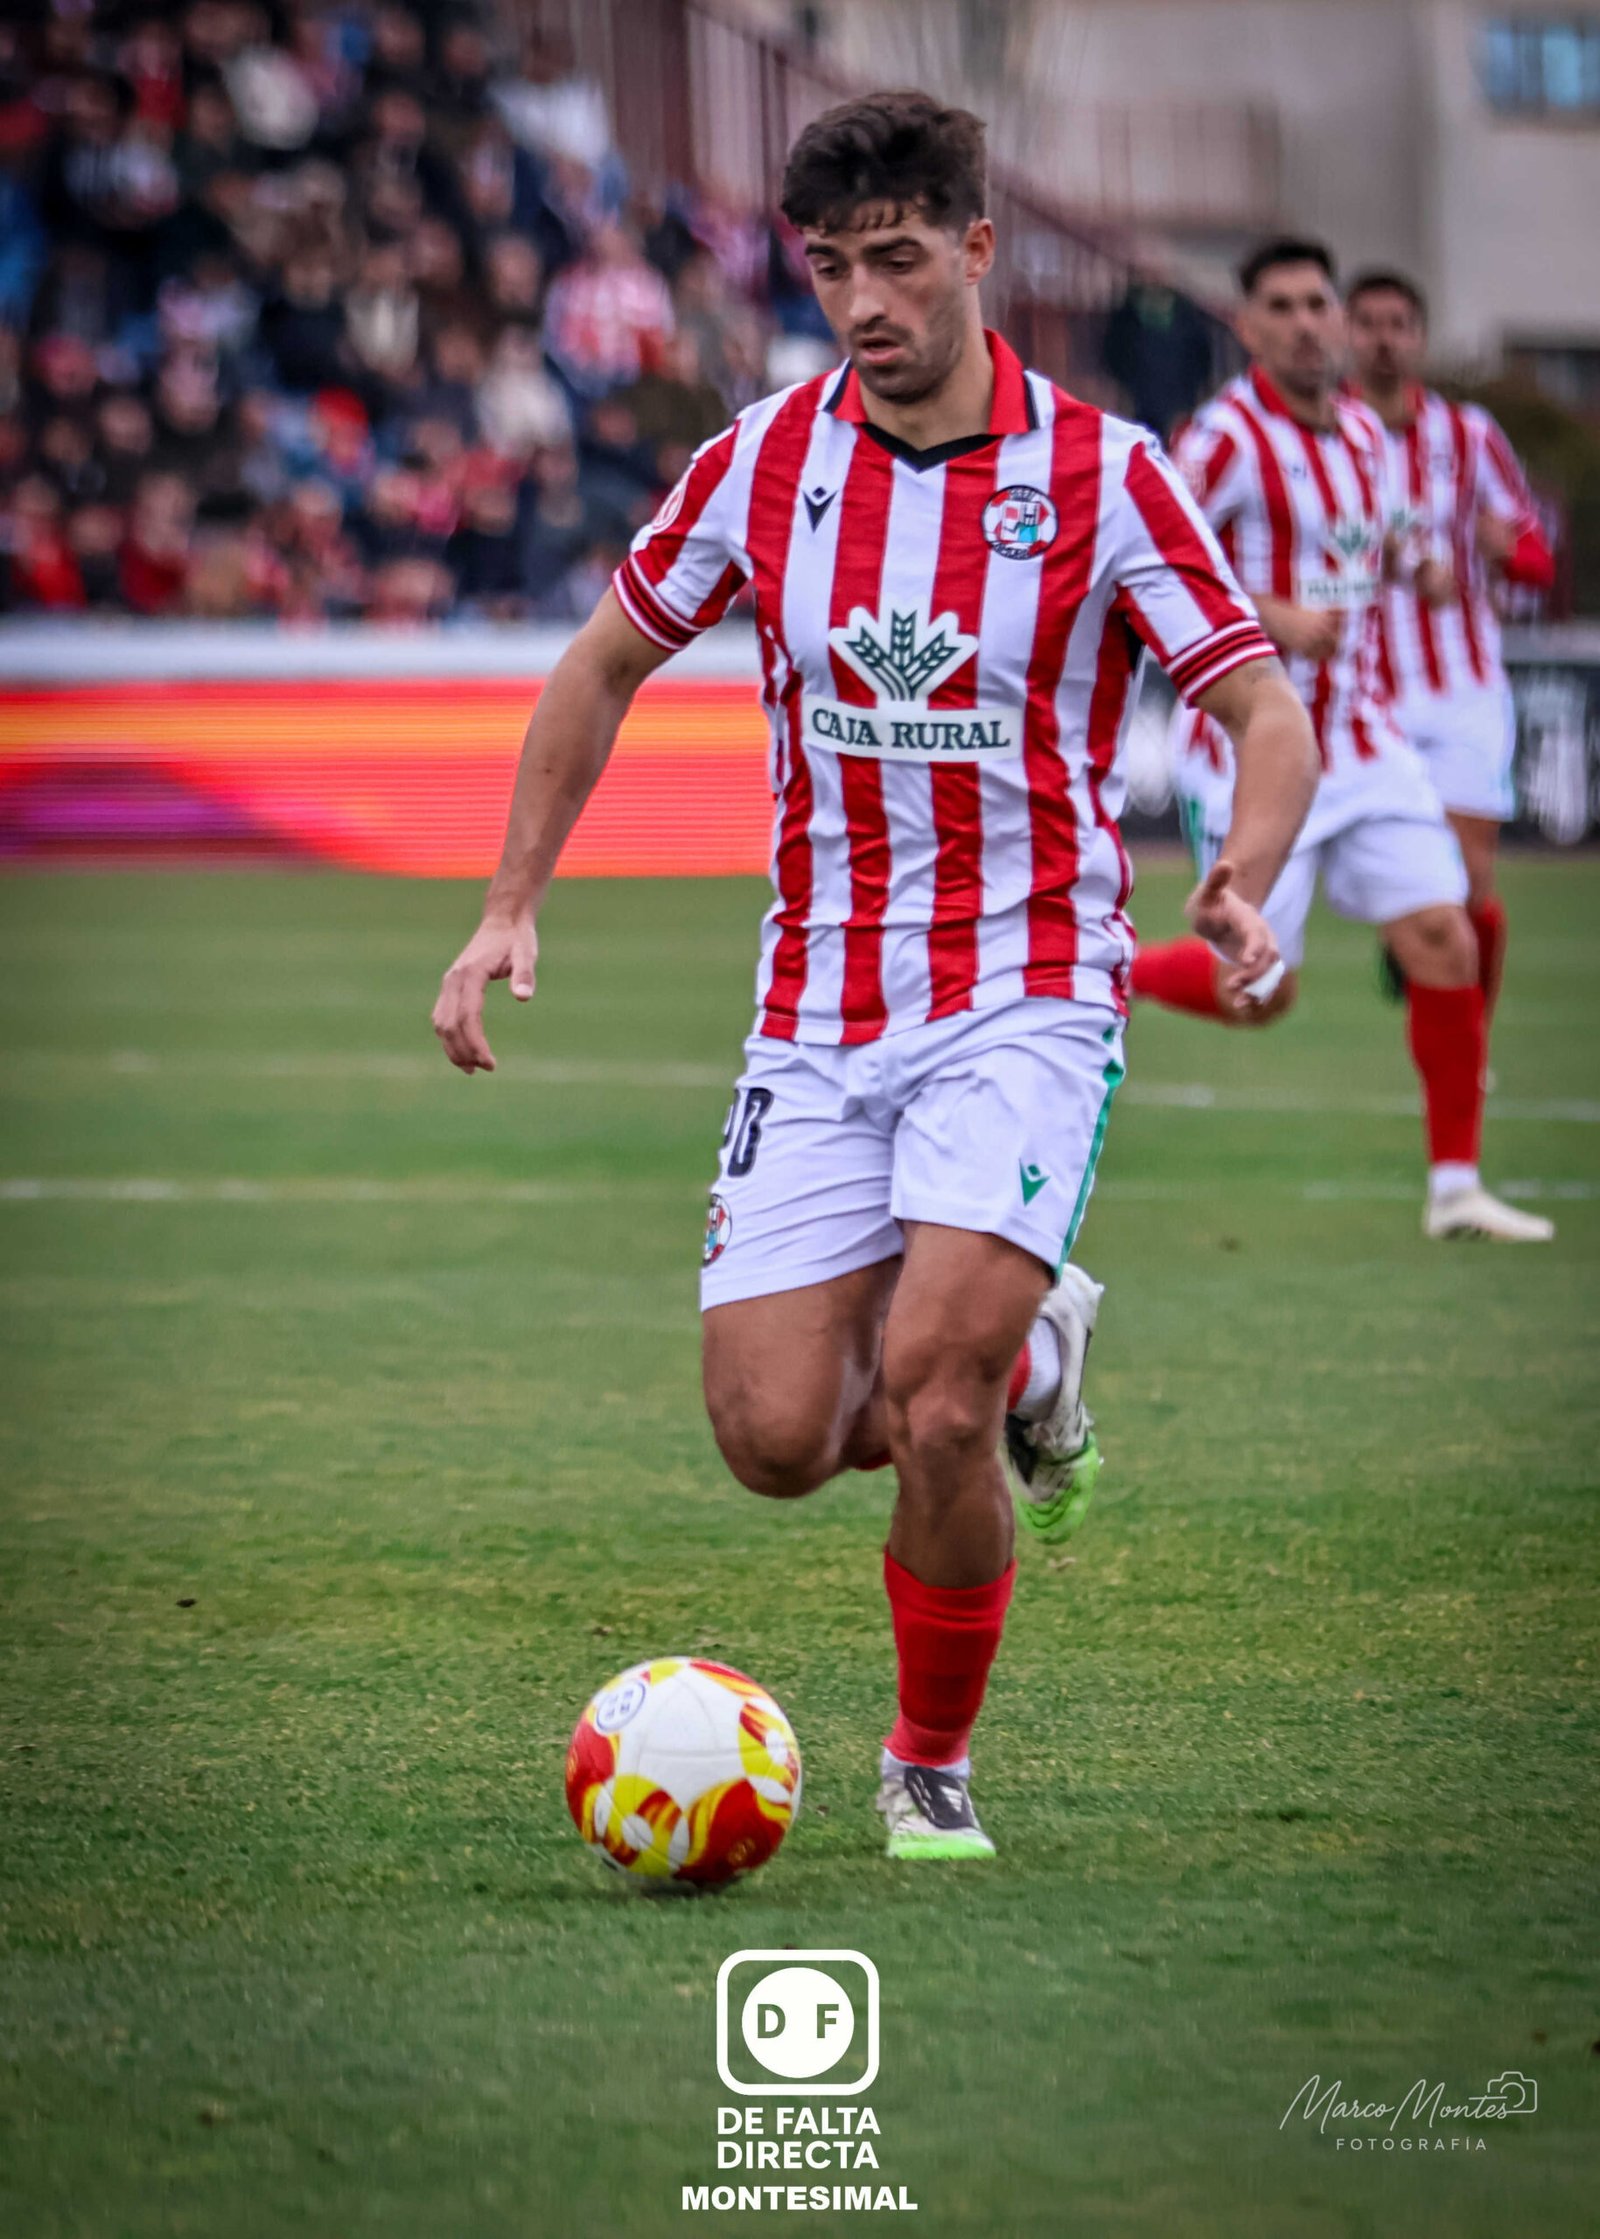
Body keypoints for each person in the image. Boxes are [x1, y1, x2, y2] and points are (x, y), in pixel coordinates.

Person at [431, 95, 1318, 1861]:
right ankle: (1037, 1363)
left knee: (927, 1390)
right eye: (833, 267)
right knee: (771, 1436)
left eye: (898, 261)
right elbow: (600, 663)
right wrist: (506, 900)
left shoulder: (1107, 475)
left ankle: (930, 1757)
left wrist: (1245, 870)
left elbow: (1259, 706)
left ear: (981, 251)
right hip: (818, 1001)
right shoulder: (761, 461)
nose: (862, 302)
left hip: (1029, 986)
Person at [1133, 238, 1553, 1244]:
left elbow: (1387, 534)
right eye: (1279, 305)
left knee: (1444, 934)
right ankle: (1104, 968)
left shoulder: (1364, 434)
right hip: (1250, 749)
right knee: (1256, 992)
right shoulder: (1226, 437)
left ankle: (1455, 1186)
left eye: (1316, 301)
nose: (1306, 321)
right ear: (1250, 328)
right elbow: (1151, 556)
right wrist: (1268, 613)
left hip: (1363, 740)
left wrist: (1421, 566)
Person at [1344, 268, 1556, 1038]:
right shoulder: (1325, 436)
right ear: (1347, 333)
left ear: (1420, 337)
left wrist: (1511, 552)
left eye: (1398, 322)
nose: (1383, 337)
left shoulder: (1468, 435)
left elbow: (1535, 553)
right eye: (1368, 322)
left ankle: (1472, 1043)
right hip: (1365, 694)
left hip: (1462, 683)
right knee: (1402, 881)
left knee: (1470, 882)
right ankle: (1410, 940)